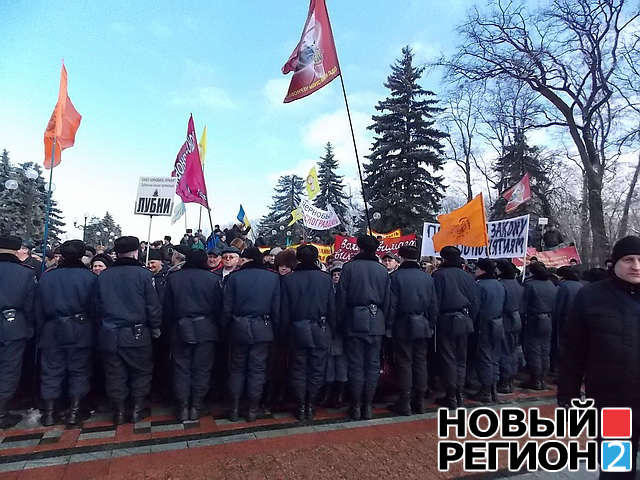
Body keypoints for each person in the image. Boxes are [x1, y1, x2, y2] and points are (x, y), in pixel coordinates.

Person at [559, 236, 640, 478]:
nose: (636, 265)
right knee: (617, 467)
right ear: (613, 263)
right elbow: (573, 349)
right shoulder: (590, 297)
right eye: (628, 259)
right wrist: (568, 393)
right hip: (613, 401)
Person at [95, 236, 162, 424]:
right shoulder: (144, 275)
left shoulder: (104, 275)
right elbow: (153, 306)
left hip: (110, 334)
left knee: (115, 373)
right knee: (140, 372)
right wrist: (156, 327)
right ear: (135, 252)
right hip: (137, 334)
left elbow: (97, 306)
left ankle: (119, 411)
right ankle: (136, 409)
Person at [34, 240, 97, 426]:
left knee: (51, 371)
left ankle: (50, 413)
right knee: (79, 371)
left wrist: (40, 330)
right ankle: (74, 412)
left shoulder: (48, 276)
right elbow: (95, 308)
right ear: (81, 255)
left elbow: (38, 307)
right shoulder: (90, 278)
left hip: (51, 330)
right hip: (81, 329)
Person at [336, 235, 390, 420]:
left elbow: (341, 298)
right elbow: (388, 300)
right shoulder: (382, 270)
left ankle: (357, 405)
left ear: (358, 248)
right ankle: (367, 405)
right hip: (376, 321)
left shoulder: (349, 268)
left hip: (354, 320)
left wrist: (340, 322)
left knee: (356, 366)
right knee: (373, 365)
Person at [163, 249, 222, 421]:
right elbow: (219, 308)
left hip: (180, 328)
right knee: (202, 369)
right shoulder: (213, 279)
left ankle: (182, 407)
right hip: (206, 328)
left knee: (181, 368)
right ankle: (196, 406)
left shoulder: (173, 278)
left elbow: (167, 308)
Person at [223, 247, 280, 422]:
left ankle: (234, 409)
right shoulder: (273, 278)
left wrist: (225, 328)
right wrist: (276, 330)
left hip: (238, 328)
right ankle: (253, 410)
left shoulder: (234, 278)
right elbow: (276, 308)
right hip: (263, 328)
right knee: (258, 370)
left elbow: (226, 308)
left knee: (237, 369)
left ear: (246, 260)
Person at [281, 245, 335, 420]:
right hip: (320, 328)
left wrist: (284, 331)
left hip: (297, 329)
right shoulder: (325, 279)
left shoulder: (289, 279)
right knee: (317, 369)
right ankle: (310, 404)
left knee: (298, 368)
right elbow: (332, 307)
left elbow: (284, 310)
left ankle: (301, 405)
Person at [388, 245, 438, 415]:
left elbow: (392, 305)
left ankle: (405, 401)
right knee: (420, 363)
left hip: (402, 325)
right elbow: (433, 305)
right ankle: (420, 401)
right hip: (422, 324)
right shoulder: (427, 278)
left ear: (401, 258)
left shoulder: (396, 277)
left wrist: (389, 326)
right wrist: (430, 324)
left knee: (404, 363)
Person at [432, 246, 479, 409]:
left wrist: (434, 321)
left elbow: (434, 302)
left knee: (448, 358)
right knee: (461, 359)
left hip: (446, 320)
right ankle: (459, 393)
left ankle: (451, 395)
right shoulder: (468, 277)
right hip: (465, 319)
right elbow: (475, 302)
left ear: (444, 259)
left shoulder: (439, 275)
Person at [0, 235, 36, 428]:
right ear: (16, 250)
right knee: (8, 369)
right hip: (13, 326)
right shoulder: (25, 273)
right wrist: (30, 327)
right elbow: (30, 306)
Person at [470, 258, 506, 403]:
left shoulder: (480, 286)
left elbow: (475, 307)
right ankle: (493, 388)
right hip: (498, 322)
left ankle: (485, 389)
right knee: (494, 356)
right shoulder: (499, 284)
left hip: (484, 324)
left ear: (482, 270)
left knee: (484, 357)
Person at [520, 262, 557, 390]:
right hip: (549, 318)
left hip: (534, 319)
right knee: (545, 350)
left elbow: (523, 305)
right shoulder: (551, 284)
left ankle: (535, 379)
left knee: (533, 349)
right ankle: (542, 378)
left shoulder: (530, 285)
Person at [496, 260, 523, 394]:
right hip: (517, 319)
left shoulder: (501, 285)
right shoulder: (517, 284)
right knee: (512, 349)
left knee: (504, 350)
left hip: (506, 319)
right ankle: (511, 377)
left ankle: (505, 380)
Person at [322, 263, 347, 407]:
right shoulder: (328, 291)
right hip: (330, 332)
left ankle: (339, 394)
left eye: (339, 275)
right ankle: (328, 393)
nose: (337, 277)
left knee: (341, 364)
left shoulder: (347, 291)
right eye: (334, 275)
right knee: (329, 364)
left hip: (341, 333)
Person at [550, 266, 583, 376]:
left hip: (565, 320)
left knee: (562, 346)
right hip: (579, 321)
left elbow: (558, 306)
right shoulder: (580, 286)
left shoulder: (563, 287)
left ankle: (561, 372)